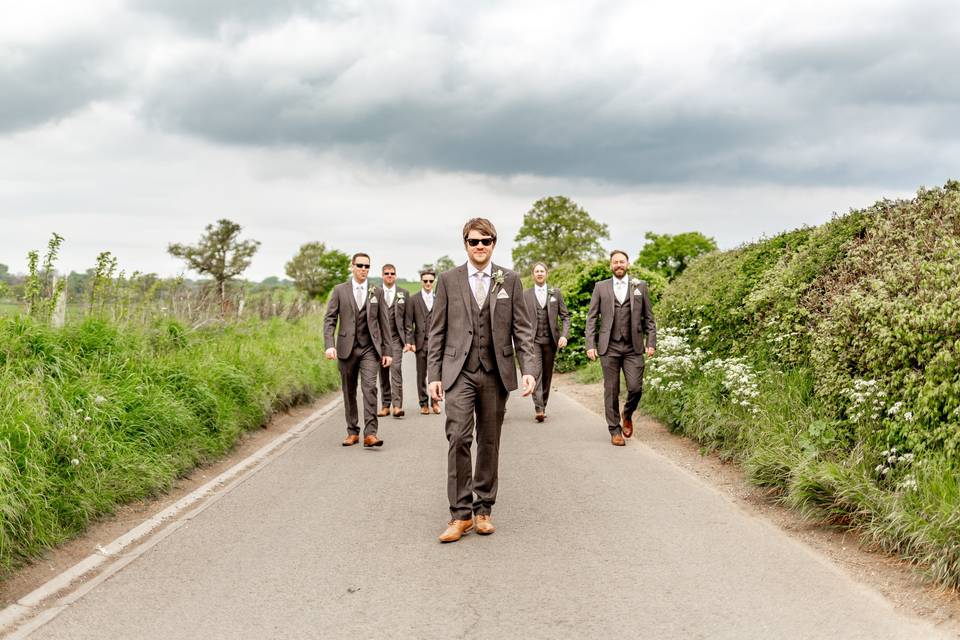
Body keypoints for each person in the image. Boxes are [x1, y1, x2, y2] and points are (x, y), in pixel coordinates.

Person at [427, 218, 539, 542]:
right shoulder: (448, 280)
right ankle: (459, 515)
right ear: (465, 243)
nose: (480, 246)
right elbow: (436, 331)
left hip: (494, 372)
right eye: (474, 241)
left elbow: (523, 330)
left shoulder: (510, 280)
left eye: (486, 241)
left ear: (494, 244)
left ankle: (483, 509)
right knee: (458, 438)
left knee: (489, 442)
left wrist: (529, 369)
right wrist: (433, 375)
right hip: (458, 372)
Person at [585, 250, 657, 447]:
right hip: (609, 346)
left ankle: (628, 413)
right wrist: (590, 344)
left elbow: (649, 317)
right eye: (615, 262)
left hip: (633, 346)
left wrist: (651, 342)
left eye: (622, 262)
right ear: (611, 265)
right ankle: (614, 430)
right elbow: (591, 318)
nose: (618, 265)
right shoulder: (600, 287)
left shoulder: (640, 285)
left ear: (628, 264)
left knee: (636, 387)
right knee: (611, 389)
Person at [324, 253, 394, 448]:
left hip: (370, 349)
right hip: (346, 349)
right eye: (360, 266)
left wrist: (388, 351)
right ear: (352, 266)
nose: (364, 269)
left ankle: (370, 433)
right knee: (349, 391)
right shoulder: (339, 290)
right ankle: (352, 431)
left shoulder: (376, 292)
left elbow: (384, 323)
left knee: (370, 387)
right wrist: (329, 345)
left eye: (367, 266)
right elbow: (330, 319)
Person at [523, 262, 571, 422]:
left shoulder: (555, 293)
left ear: (546, 274)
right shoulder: (526, 295)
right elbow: (520, 319)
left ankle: (543, 403)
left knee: (548, 375)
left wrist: (564, 335)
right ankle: (539, 408)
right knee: (536, 372)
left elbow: (565, 316)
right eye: (536, 271)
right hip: (533, 341)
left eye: (542, 271)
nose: (539, 273)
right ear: (533, 275)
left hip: (551, 341)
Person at [404, 268, 440, 415]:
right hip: (420, 343)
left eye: (431, 281)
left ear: (434, 281)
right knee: (421, 375)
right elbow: (408, 323)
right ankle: (423, 403)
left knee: (436, 374)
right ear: (421, 281)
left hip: (437, 344)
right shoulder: (413, 299)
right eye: (425, 281)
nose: (428, 283)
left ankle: (435, 402)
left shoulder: (440, 298)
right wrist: (410, 341)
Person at [377, 263, 407, 418]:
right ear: (382, 275)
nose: (389, 275)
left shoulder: (403, 293)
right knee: (383, 372)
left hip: (396, 339)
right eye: (387, 273)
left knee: (396, 370)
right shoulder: (375, 293)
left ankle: (397, 406)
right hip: (379, 340)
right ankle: (385, 405)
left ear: (395, 275)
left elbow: (408, 319)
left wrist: (408, 339)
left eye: (392, 273)